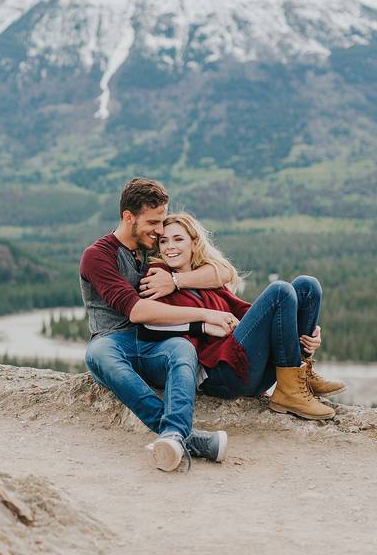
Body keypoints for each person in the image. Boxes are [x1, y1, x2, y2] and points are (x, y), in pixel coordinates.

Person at [80, 178, 240, 472]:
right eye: (153, 222)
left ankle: (174, 437)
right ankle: (182, 436)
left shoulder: (152, 249)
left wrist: (178, 280)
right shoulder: (97, 256)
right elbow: (137, 311)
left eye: (162, 221)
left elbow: (221, 271)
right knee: (99, 354)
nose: (160, 230)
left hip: (155, 341)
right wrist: (204, 315)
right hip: (114, 340)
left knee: (182, 348)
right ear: (128, 217)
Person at [137, 212, 347, 419]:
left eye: (178, 239)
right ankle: (289, 393)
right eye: (164, 241)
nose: (170, 247)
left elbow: (243, 310)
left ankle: (299, 373)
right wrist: (202, 322)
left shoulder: (203, 276)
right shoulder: (157, 277)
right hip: (221, 375)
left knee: (307, 286)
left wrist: (300, 331)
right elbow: (151, 323)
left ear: (194, 243)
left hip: (245, 364)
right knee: (280, 292)